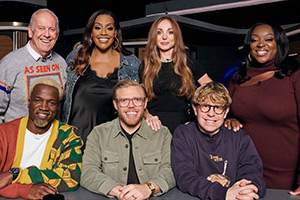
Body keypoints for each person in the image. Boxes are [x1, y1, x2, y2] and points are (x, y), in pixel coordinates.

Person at [227, 21, 300, 194]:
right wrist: (229, 119)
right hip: (245, 172)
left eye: (268, 39)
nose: (261, 44)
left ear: (279, 43)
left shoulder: (294, 75)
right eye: (254, 40)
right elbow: (223, 109)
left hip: (286, 176)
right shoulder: (239, 77)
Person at [81, 80, 175, 199]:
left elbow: (171, 170)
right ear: (116, 104)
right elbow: (88, 172)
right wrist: (119, 192)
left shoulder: (162, 134)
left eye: (137, 100)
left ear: (145, 103)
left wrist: (148, 188)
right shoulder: (99, 134)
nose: (131, 106)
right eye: (124, 101)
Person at [171, 82, 266, 200]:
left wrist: (246, 188)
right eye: (205, 106)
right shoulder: (183, 134)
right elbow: (185, 176)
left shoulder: (239, 137)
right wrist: (223, 194)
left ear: (226, 112)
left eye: (217, 108)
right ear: (195, 109)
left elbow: (252, 171)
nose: (211, 114)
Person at [60, 10, 140, 149]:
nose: (103, 32)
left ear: (115, 33)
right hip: (73, 145)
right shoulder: (76, 57)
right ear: (91, 32)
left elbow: (140, 102)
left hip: (112, 148)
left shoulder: (130, 63)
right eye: (98, 27)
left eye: (109, 28)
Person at [0, 78, 83, 199]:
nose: (44, 107)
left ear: (58, 106)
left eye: (51, 102)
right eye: (38, 100)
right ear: (29, 102)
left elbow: (70, 178)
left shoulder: (68, 135)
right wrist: (22, 190)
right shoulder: (4, 132)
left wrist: (15, 175)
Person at [139, 16, 212, 133]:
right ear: (154, 37)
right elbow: (139, 100)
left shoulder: (188, 63)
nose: (164, 37)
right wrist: (147, 116)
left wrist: (196, 117)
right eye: (159, 32)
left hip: (182, 126)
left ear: (176, 36)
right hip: (153, 125)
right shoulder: (146, 65)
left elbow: (213, 91)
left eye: (170, 32)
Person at [0, 8, 67, 124]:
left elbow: (64, 110)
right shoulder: (10, 63)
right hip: (17, 139)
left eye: (51, 29)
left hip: (52, 139)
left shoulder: (61, 63)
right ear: (30, 31)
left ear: (57, 33)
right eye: (41, 28)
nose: (46, 34)